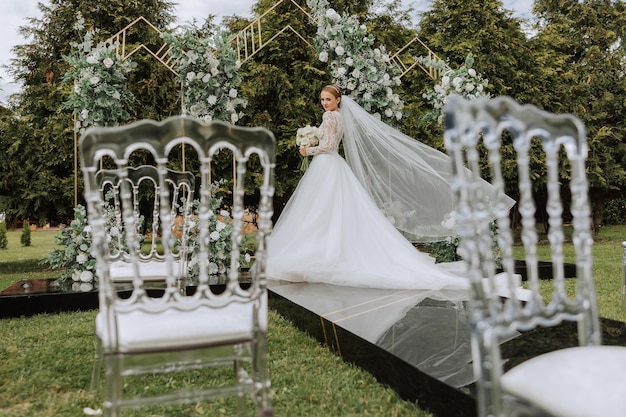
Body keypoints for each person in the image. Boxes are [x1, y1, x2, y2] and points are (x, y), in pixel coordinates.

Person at [265, 84, 491, 292]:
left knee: (321, 210)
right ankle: (325, 252)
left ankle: (320, 254)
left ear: (338, 100)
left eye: (328, 99)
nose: (324, 103)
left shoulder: (330, 117)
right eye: (322, 99)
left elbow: (329, 146)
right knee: (327, 210)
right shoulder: (338, 116)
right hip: (331, 166)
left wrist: (308, 150)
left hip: (327, 164)